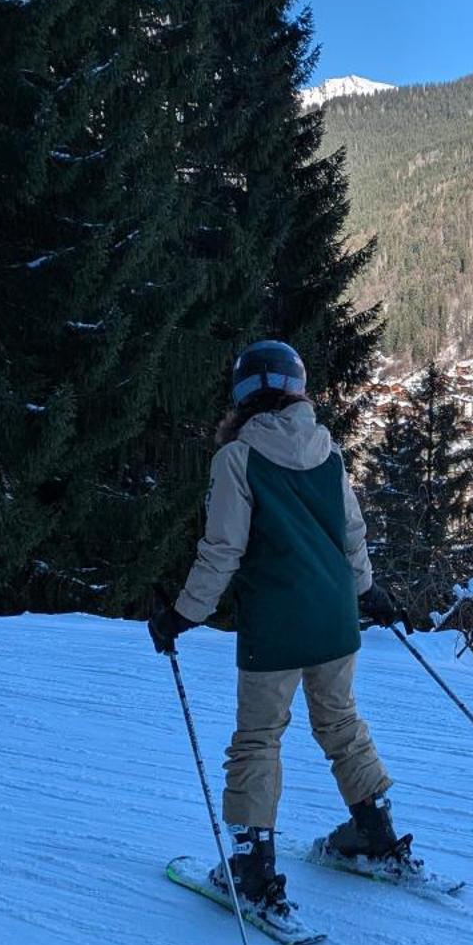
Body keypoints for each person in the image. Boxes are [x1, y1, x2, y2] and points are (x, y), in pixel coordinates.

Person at [147, 340, 412, 916]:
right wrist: (370, 592)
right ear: (298, 387)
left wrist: (181, 615)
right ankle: (375, 831)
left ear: (242, 394)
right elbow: (352, 538)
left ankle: (251, 867)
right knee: (340, 721)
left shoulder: (238, 459)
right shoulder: (329, 454)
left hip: (275, 626)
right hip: (337, 619)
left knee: (258, 739)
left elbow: (222, 551)